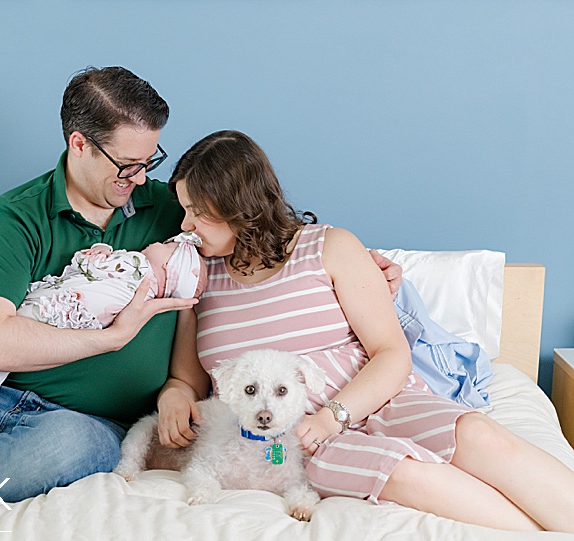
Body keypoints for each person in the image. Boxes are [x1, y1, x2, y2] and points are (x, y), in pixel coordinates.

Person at [0, 67, 399, 504]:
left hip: (88, 422)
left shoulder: (174, 209)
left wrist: (370, 272)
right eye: (127, 164)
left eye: (150, 160)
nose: (141, 177)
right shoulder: (16, 215)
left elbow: (259, 233)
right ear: (79, 145)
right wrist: (115, 336)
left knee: (54, 458)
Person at [156, 129, 574, 532]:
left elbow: (391, 353)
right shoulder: (198, 275)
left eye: (198, 212)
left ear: (240, 206)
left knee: (479, 434)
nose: (187, 225)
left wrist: (333, 415)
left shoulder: (329, 247)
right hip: (295, 441)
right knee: (406, 475)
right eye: (185, 211)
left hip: (378, 401)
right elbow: (186, 379)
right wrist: (174, 397)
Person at [0, 232, 207, 392]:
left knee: (29, 315)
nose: (157, 242)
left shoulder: (138, 265)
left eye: (166, 246)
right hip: (83, 317)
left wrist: (100, 250)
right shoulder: (147, 297)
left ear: (168, 267)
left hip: (71, 303)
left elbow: (92, 266)